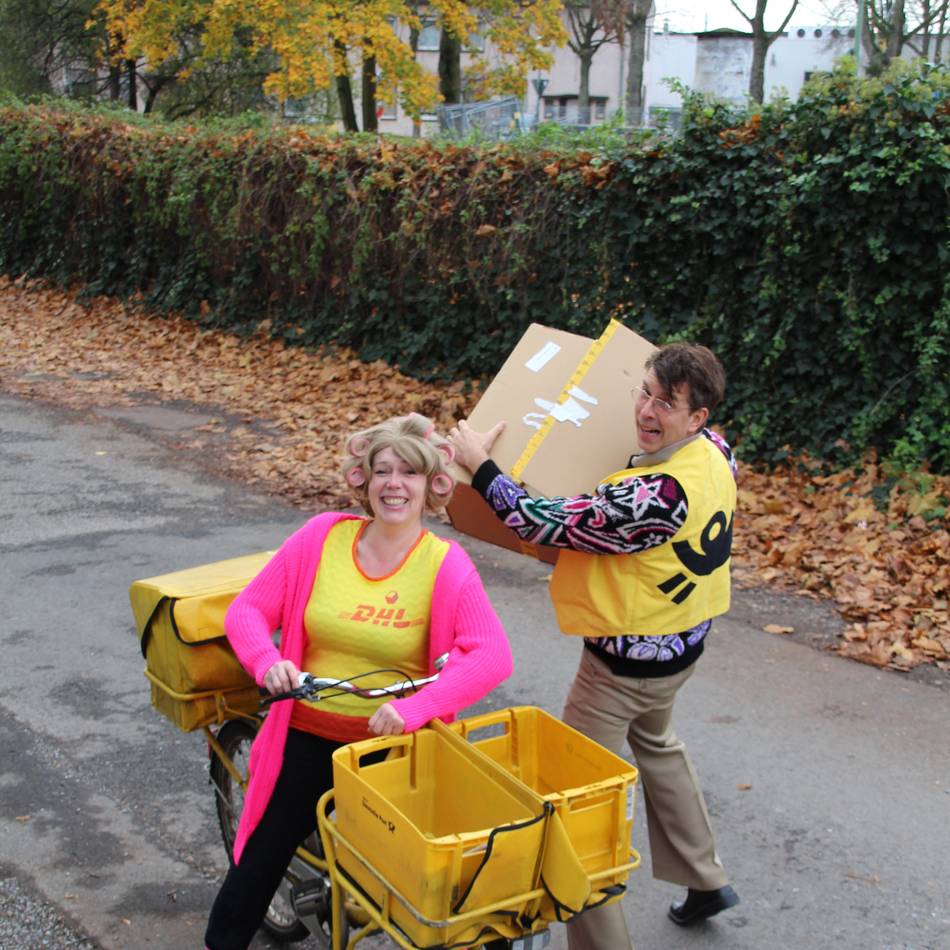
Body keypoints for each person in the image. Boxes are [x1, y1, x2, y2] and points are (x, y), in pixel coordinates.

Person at [449, 342, 740, 949]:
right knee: (656, 743)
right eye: (645, 391)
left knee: (574, 806)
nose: (646, 410)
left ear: (698, 418)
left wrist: (480, 466)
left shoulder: (656, 496)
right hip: (679, 647)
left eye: (666, 403)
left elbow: (538, 520)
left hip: (621, 671)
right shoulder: (715, 455)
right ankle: (704, 875)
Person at [205, 413, 513, 950]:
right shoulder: (320, 537)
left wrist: (418, 708)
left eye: (409, 474)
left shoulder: (446, 565)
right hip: (304, 732)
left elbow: (491, 656)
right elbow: (248, 611)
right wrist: (267, 662)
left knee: (422, 883)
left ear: (429, 487)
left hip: (389, 749)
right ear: (365, 482)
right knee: (260, 859)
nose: (395, 484)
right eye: (383, 472)